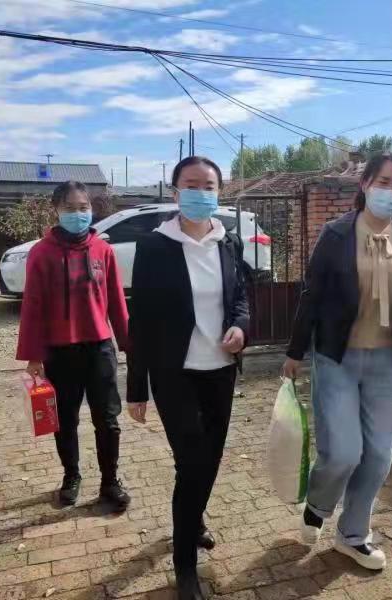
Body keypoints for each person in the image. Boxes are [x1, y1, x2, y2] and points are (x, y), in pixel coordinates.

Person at [283, 153, 392, 571]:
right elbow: (311, 295)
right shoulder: (336, 234)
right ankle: (318, 505)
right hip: (338, 357)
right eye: (383, 181)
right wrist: (295, 352)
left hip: (388, 361)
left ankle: (353, 535)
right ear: (365, 184)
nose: (391, 191)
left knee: (379, 456)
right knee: (343, 453)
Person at [126, 156, 249, 600]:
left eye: (209, 185)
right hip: (174, 374)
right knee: (192, 462)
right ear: (175, 191)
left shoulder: (228, 241)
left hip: (220, 371)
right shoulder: (155, 246)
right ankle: (185, 566)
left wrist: (241, 327)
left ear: (220, 191)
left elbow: (241, 297)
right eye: (192, 185)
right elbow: (140, 320)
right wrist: (136, 388)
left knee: (209, 459)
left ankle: (193, 519)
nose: (201, 192)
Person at [16, 181, 130, 509]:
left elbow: (116, 301)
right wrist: (33, 356)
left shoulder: (103, 250)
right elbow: (33, 307)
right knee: (65, 420)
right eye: (70, 208)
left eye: (84, 208)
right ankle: (71, 476)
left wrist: (128, 343)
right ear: (56, 210)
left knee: (107, 419)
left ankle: (110, 482)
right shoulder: (41, 253)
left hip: (99, 349)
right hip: (59, 352)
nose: (78, 214)